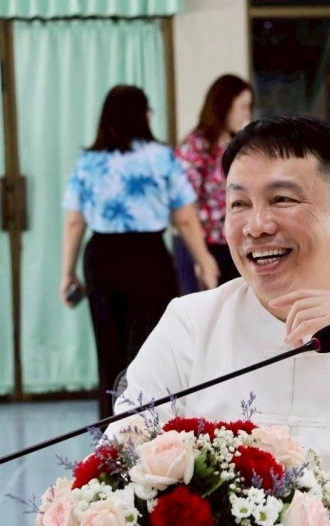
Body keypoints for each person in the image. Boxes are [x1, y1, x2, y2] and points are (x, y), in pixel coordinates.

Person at [108, 116, 330, 526]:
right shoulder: (190, 325)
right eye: (239, 204)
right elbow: (115, 468)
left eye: (282, 199)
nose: (256, 226)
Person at [60, 85, 220, 418]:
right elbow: (185, 218)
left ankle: (111, 428)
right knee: (152, 345)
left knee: (109, 348)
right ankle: (151, 424)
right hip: (149, 257)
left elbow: (75, 222)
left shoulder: (89, 162)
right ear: (143, 116)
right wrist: (204, 261)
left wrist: (67, 273)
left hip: (102, 257)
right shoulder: (162, 158)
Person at [173, 74, 254, 293]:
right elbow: (185, 208)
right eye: (243, 107)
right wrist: (202, 258)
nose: (246, 115)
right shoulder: (195, 146)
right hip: (202, 247)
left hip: (236, 243)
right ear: (224, 106)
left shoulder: (239, 145)